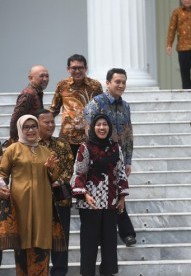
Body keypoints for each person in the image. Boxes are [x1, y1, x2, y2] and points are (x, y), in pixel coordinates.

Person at [0, 114, 65, 275]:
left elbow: (55, 177)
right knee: (22, 245)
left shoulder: (45, 150)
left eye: (34, 126)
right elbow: (2, 173)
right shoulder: (12, 149)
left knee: (42, 244)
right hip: (20, 206)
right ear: (20, 129)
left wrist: (51, 169)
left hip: (43, 205)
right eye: (26, 127)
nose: (31, 130)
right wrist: (2, 187)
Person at [71, 114, 129, 276]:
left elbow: (121, 173)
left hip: (110, 202)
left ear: (109, 127)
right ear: (93, 127)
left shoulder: (115, 147)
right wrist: (84, 194)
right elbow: (79, 172)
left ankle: (108, 273)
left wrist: (122, 197)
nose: (102, 128)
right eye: (98, 124)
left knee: (110, 243)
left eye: (105, 124)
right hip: (90, 203)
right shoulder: (85, 147)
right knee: (89, 243)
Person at [84, 68, 136, 247]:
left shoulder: (126, 106)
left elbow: (128, 134)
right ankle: (117, 233)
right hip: (99, 159)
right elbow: (89, 132)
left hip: (118, 160)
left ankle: (126, 233)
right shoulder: (95, 104)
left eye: (123, 82)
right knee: (105, 197)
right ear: (108, 83)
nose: (121, 85)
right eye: (117, 82)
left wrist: (128, 160)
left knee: (119, 193)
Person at [36, 109, 75, 276]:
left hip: (60, 200)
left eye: (53, 121)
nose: (51, 125)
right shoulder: (30, 146)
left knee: (60, 240)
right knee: (38, 241)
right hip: (37, 201)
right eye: (47, 122)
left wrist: (57, 180)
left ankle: (59, 272)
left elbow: (69, 169)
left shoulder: (62, 144)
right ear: (37, 124)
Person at [49, 54, 103, 157]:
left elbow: (101, 110)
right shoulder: (62, 85)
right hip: (67, 138)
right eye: (74, 68)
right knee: (68, 171)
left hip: (89, 137)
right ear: (68, 69)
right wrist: (43, 122)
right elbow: (54, 108)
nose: (77, 71)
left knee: (87, 171)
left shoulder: (95, 86)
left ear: (86, 68)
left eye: (80, 68)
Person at [9, 65, 49, 142]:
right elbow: (15, 118)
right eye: (41, 76)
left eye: (47, 76)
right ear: (31, 78)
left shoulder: (37, 93)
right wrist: (14, 140)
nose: (45, 79)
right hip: (25, 140)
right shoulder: (28, 94)